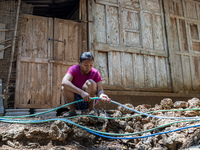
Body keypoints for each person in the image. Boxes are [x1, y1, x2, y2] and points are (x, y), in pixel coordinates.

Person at [61, 52, 110, 117]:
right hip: (74, 101)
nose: (88, 68)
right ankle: (72, 111)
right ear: (79, 63)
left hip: (89, 100)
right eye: (85, 65)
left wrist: (102, 95)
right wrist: (81, 92)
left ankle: (91, 110)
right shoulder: (74, 69)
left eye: (91, 65)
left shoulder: (95, 73)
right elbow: (64, 82)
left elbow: (100, 90)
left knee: (91, 83)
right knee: (64, 87)